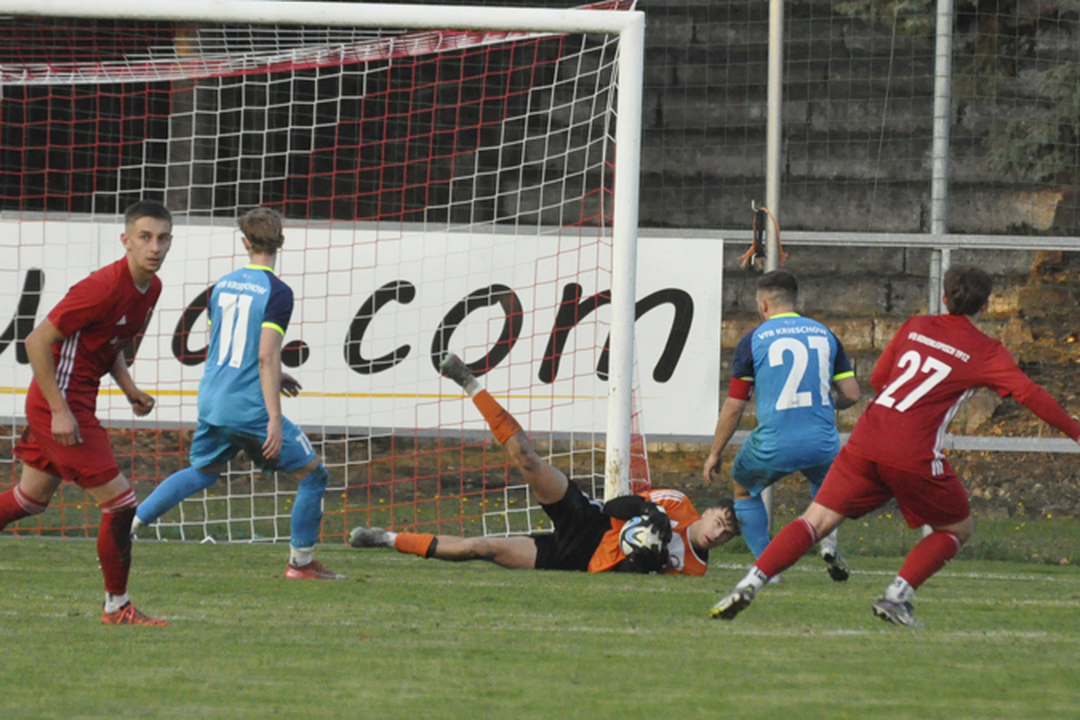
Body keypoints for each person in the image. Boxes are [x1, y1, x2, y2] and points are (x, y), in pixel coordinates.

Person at [711, 264, 1080, 626]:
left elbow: (879, 377)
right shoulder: (986, 351)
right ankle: (896, 597)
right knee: (956, 528)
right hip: (912, 451)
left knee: (816, 520)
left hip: (866, 439)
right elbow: (1031, 394)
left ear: (943, 297)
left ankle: (750, 583)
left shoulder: (916, 326)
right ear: (985, 306)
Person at [348, 353, 740, 574]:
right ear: (708, 512)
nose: (716, 534)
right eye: (719, 522)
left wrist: (643, 563)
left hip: (573, 561)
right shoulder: (679, 504)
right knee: (528, 459)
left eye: (724, 537)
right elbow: (616, 506)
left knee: (479, 548)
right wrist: (647, 509)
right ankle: (468, 381)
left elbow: (629, 581)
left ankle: (385, 538)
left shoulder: (694, 571)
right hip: (588, 521)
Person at [132, 207, 344, 580]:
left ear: (244, 242)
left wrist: (277, 375)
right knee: (314, 476)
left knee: (202, 470)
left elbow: (223, 347)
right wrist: (274, 418)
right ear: (281, 240)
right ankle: (301, 564)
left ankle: (128, 526)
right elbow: (264, 354)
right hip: (249, 408)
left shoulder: (222, 286)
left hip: (214, 400)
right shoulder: (277, 292)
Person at [0, 200, 174, 626]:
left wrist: (130, 389)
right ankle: (117, 606)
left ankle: (117, 606)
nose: (155, 246)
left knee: (30, 500)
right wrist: (59, 411)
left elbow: (108, 344)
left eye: (163, 238)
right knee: (121, 503)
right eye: (145, 237)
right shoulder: (100, 287)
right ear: (126, 241)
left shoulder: (151, 289)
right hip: (58, 403)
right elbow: (36, 342)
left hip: (75, 401)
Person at [703, 269, 860, 582]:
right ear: (795, 301)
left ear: (763, 305)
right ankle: (827, 539)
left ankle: (768, 567)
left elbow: (735, 405)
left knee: (743, 487)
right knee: (828, 486)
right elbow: (852, 394)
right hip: (821, 441)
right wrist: (826, 404)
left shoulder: (752, 341)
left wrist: (714, 453)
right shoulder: (825, 334)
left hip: (775, 442)